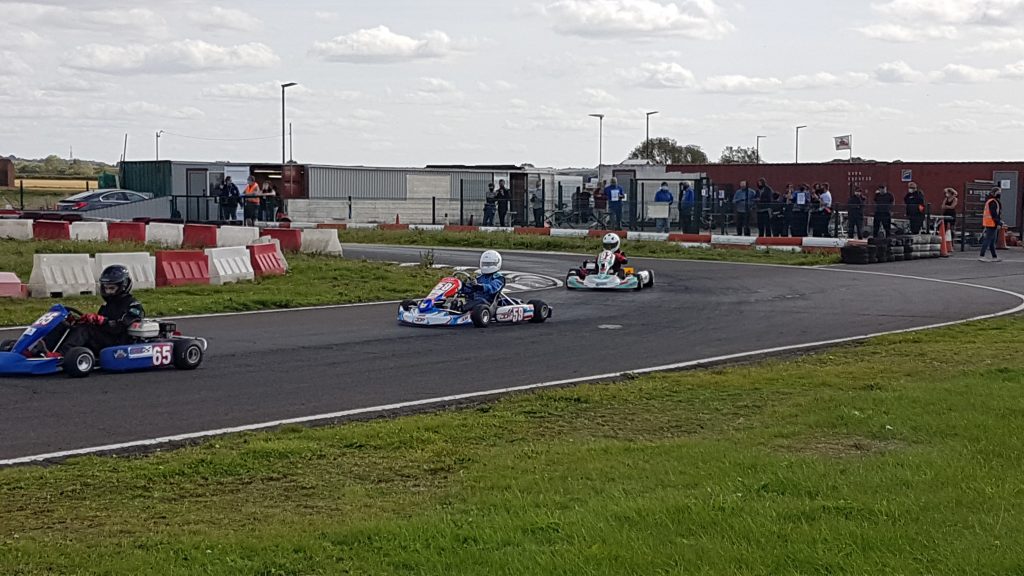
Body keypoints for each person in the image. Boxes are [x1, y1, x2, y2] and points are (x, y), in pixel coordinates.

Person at [54, 265, 144, 356]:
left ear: (123, 286)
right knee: (64, 324)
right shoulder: (107, 305)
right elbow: (98, 325)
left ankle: (61, 355)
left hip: (118, 342)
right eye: (106, 288)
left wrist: (102, 321)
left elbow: (119, 326)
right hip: (103, 339)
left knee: (86, 329)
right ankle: (44, 350)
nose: (108, 291)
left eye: (112, 288)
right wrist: (78, 320)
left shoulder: (133, 306)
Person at [979, 188, 1003, 262]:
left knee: (992, 241)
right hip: (991, 223)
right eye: (998, 192)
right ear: (994, 193)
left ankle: (994, 256)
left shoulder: (992, 201)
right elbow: (994, 214)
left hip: (990, 222)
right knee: (988, 240)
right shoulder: (993, 202)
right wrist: (998, 222)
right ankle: (982, 255)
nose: (999, 194)